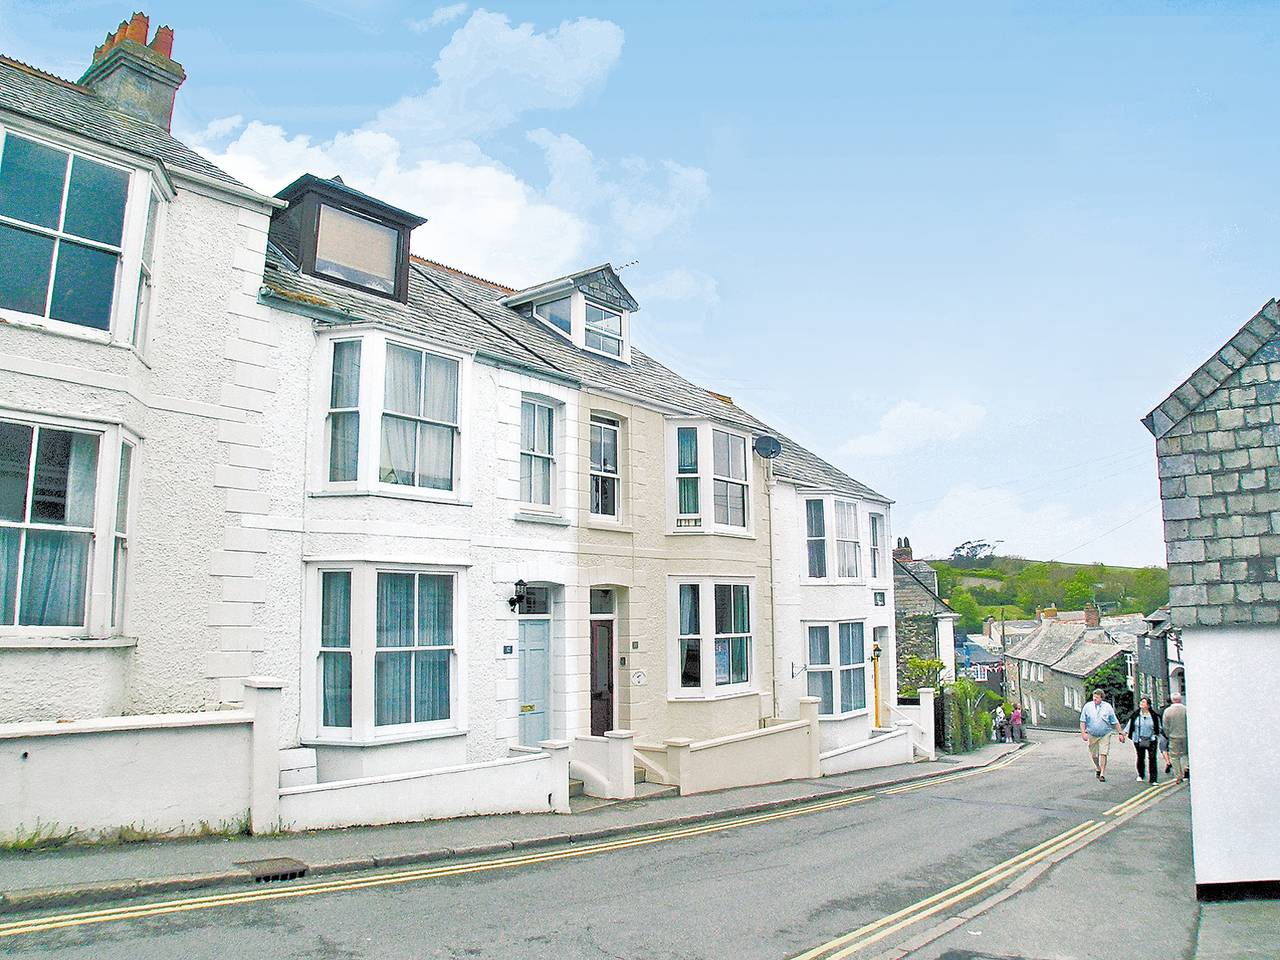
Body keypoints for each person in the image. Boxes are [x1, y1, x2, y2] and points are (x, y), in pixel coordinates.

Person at [1080, 688, 1125, 781]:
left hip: (1105, 734)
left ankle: (1102, 774)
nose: (1094, 699)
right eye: (1094, 697)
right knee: (1094, 755)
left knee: (1103, 753)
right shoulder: (1087, 706)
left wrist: (1120, 733)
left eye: (1097, 697)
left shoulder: (1107, 707)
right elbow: (1083, 721)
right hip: (1092, 734)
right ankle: (1098, 767)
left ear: (1101, 698)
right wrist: (1083, 733)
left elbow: (1114, 721)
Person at [1125, 696, 1161, 784]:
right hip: (1138, 739)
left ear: (1148, 705)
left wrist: (1157, 734)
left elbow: (1159, 727)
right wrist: (1123, 733)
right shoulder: (1136, 714)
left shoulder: (1154, 716)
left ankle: (1153, 779)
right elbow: (1130, 725)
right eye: (1141, 702)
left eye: (1144, 702)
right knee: (1140, 757)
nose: (1141, 703)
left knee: (1152, 758)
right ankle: (1141, 774)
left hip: (1151, 739)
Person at [1162, 694, 1189, 784]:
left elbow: (1165, 726)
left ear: (1172, 700)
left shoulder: (1168, 711)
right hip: (1185, 736)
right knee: (1186, 753)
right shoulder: (1186, 710)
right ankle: (1186, 767)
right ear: (1180, 699)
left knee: (1174, 757)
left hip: (1173, 737)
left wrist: (1167, 735)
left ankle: (1178, 776)